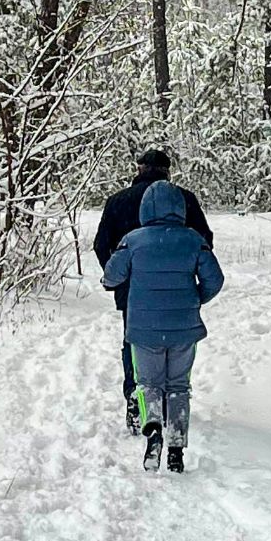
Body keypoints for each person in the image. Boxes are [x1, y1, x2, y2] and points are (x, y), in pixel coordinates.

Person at [101, 180, 225, 473]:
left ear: (145, 208)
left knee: (148, 384)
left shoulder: (133, 241)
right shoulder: (194, 240)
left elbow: (111, 276)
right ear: (180, 209)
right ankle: (177, 447)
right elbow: (215, 279)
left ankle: (153, 428)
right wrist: (196, 298)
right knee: (179, 386)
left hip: (143, 330)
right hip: (184, 328)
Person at [93, 150, 213, 432]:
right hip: (178, 290)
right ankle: (172, 406)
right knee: (175, 346)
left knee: (134, 345)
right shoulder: (185, 200)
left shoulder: (117, 202)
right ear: (167, 171)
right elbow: (204, 242)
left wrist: (120, 278)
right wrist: (191, 282)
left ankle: (137, 399)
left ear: (139, 168)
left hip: (132, 290)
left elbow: (101, 244)